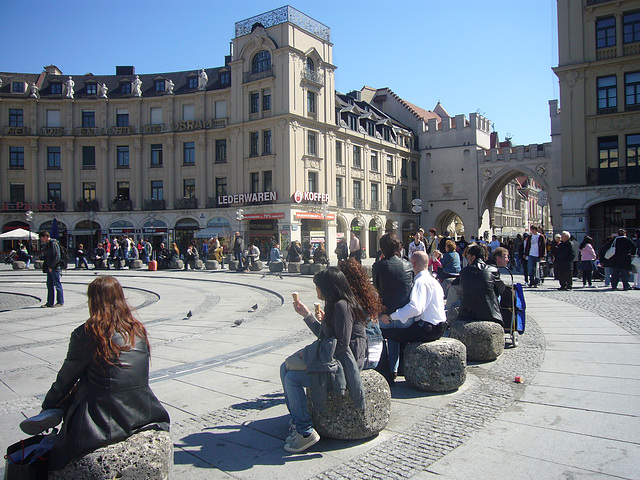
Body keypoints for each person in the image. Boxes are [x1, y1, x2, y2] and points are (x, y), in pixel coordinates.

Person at [32, 276, 170, 471]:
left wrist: (48, 407)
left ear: (93, 301)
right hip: (144, 411)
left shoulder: (88, 334)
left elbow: (65, 379)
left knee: (50, 461)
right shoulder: (137, 330)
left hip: (100, 421)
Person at [283, 267, 366, 453]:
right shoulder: (335, 305)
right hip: (334, 358)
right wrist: (308, 316)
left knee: (292, 379)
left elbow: (341, 346)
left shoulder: (342, 306)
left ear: (327, 288)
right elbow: (327, 337)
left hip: (344, 364)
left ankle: (305, 433)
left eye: (317, 286)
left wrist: (312, 354)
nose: (316, 291)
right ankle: (298, 423)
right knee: (284, 368)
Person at [380, 251, 447, 376]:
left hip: (427, 329)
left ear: (413, 264)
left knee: (389, 333)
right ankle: (399, 369)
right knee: (401, 333)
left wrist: (391, 317)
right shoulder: (433, 280)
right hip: (438, 325)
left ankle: (388, 372)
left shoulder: (420, 282)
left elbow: (416, 307)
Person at [372, 232, 414, 381]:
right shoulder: (408, 265)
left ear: (382, 249)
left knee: (377, 328)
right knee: (394, 333)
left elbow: (376, 290)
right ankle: (395, 368)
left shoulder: (378, 266)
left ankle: (384, 369)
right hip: (405, 319)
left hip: (385, 319)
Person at [339, 258, 384, 369]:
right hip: (376, 349)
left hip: (362, 355)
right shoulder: (371, 292)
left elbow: (343, 337)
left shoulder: (348, 299)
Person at [458, 244, 505, 325]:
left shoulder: (464, 271)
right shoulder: (492, 270)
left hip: (467, 313)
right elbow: (501, 289)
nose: (468, 260)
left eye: (468, 258)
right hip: (490, 313)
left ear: (473, 257)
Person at [39, 231, 64, 308]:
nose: (41, 240)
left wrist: (51, 266)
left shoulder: (54, 244)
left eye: (42, 238)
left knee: (57, 284)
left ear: (45, 237)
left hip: (55, 268)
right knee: (49, 285)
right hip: (50, 267)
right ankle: (49, 302)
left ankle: (60, 302)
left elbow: (57, 256)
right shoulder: (48, 244)